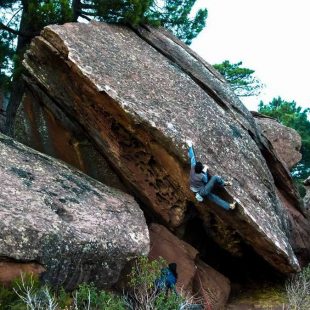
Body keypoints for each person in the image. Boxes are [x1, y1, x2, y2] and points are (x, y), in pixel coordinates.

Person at [186, 140, 236, 210]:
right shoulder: (200, 175)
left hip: (196, 189)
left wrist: (190, 146)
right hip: (202, 190)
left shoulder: (192, 168)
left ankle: (229, 206)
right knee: (215, 178)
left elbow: (192, 157)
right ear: (200, 170)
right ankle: (224, 183)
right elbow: (206, 180)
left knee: (213, 197)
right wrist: (205, 169)